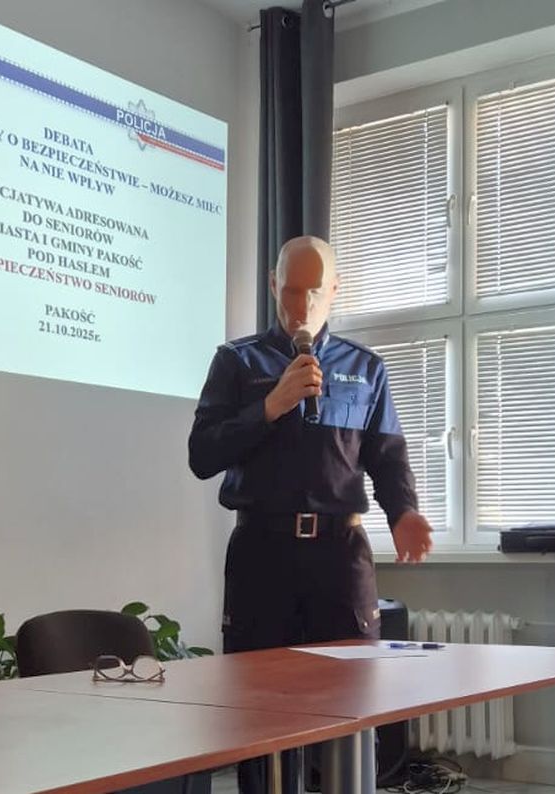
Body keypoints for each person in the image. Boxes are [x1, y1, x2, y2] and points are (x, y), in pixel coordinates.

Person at [188, 235, 433, 793]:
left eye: (314, 293)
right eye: (290, 291)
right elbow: (201, 455)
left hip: (339, 558)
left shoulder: (366, 368)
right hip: (261, 554)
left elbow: (387, 458)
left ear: (335, 291)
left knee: (350, 707)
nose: (301, 307)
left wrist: (404, 512)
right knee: (257, 709)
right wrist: (270, 406)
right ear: (273, 284)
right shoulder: (236, 362)